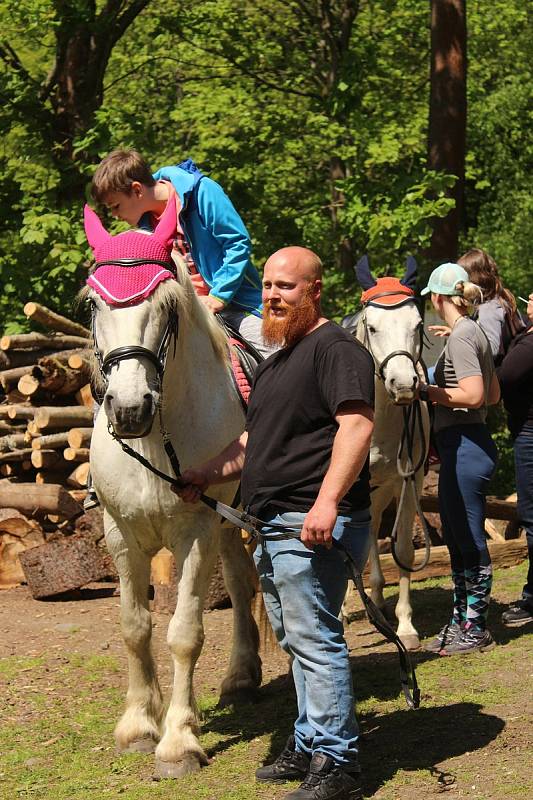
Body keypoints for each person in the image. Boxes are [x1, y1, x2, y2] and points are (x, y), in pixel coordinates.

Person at [176, 246, 375, 800]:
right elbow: (250, 442)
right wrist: (203, 472)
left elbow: (356, 426)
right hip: (274, 523)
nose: (271, 296)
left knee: (314, 639)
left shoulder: (336, 350)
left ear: (314, 290)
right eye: (266, 285)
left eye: (286, 286)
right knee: (293, 636)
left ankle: (338, 766)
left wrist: (327, 502)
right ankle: (311, 740)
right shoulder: (280, 360)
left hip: (309, 520)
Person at [90, 149, 274, 357]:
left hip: (234, 304)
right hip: (181, 313)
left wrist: (219, 296)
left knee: (273, 356)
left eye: (115, 206)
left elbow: (237, 243)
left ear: (137, 190)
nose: (114, 215)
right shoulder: (145, 226)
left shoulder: (201, 192)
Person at [418, 263, 501, 655]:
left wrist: (427, 391)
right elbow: (496, 394)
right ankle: (460, 620)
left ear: (437, 298)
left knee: (468, 539)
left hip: (466, 445)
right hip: (465, 444)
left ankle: (476, 627)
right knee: (455, 538)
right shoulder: (471, 332)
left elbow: (474, 396)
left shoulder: (464, 337)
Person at [496, 291, 533, 626]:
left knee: (532, 517)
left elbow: (502, 379)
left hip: (530, 435)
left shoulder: (530, 346)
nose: (529, 301)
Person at [428, 248, 525, 365]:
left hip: (490, 377)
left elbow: (492, 350)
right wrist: (455, 331)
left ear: (473, 280)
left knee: (429, 375)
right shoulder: (497, 301)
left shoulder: (489, 309)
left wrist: (463, 339)